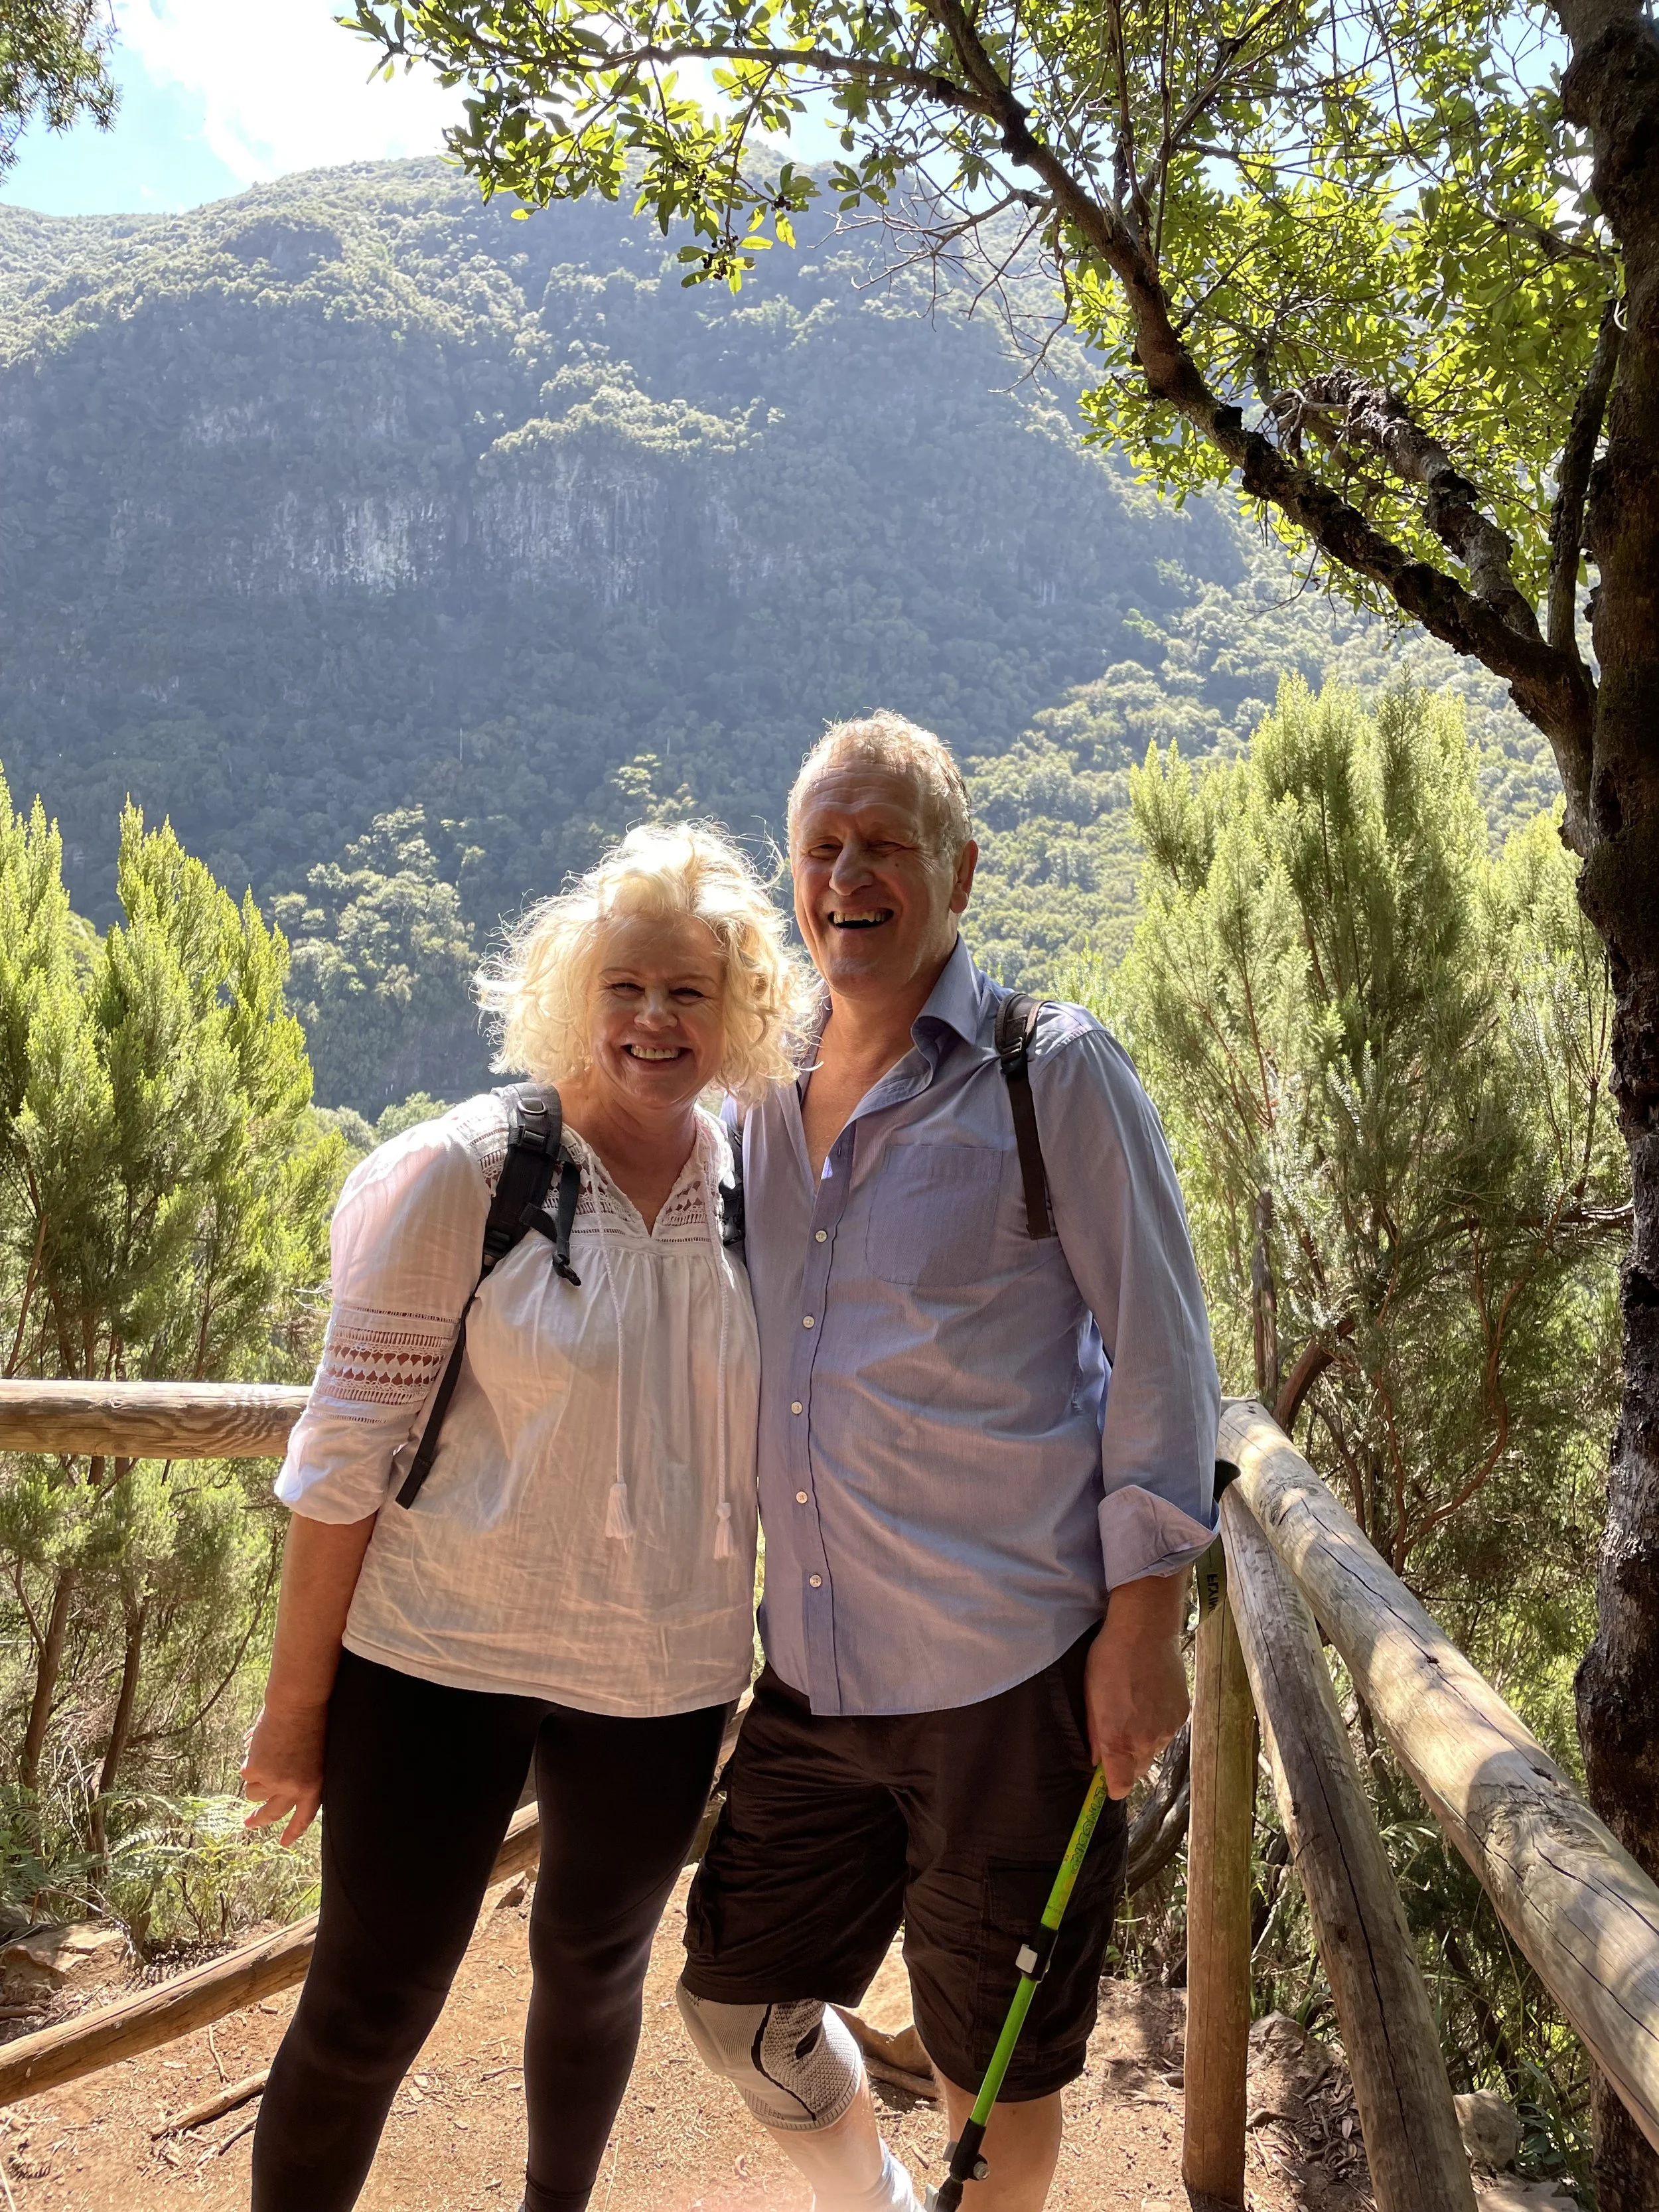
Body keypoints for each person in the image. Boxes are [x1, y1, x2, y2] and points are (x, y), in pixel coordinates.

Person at [675, 713, 1222, 2212]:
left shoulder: (1050, 1073)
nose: (847, 875)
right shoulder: (752, 1095)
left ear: (959, 870)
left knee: (998, 2070)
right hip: (814, 1674)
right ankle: (872, 2196)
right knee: (731, 1998)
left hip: (1009, 1680)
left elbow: (1165, 1356)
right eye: (821, 849)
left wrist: (1140, 1623)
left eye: (884, 845)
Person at [240, 822, 810, 2212]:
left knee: (596, 1975)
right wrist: (293, 1708)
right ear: (574, 991)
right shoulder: (467, 1175)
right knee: (372, 1998)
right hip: (435, 1653)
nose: (654, 1020)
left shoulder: (764, 1189)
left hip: (661, 1672)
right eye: (625, 987)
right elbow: (345, 1459)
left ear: (739, 1005)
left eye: (688, 990)